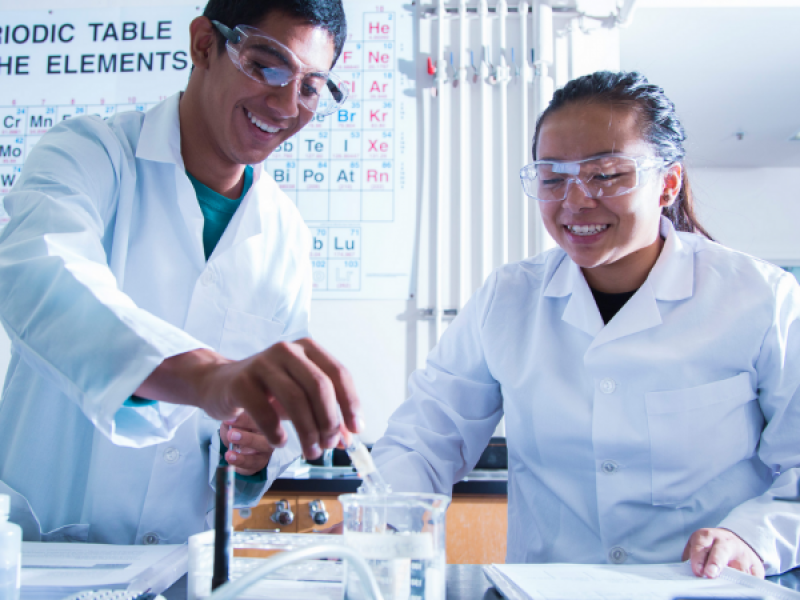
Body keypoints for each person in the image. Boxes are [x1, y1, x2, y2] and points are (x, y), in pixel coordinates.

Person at [370, 71, 800, 578]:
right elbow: (427, 436)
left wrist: (752, 535)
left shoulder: (760, 298)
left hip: (699, 589)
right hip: (550, 587)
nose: (575, 201)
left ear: (668, 183)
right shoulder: (508, 299)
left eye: (607, 174)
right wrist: (384, 519)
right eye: (552, 178)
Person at [0, 0, 362, 545]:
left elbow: (250, 428)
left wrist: (254, 450)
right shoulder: (90, 153)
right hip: (50, 552)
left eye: (311, 86)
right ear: (203, 44)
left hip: (179, 564)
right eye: (268, 64)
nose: (288, 104)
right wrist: (208, 377)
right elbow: (42, 276)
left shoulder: (284, 233)